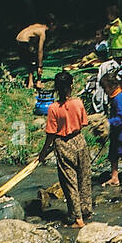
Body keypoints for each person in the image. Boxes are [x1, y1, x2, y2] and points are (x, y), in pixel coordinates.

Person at [36, 71, 92, 228]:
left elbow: (51, 134)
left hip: (63, 144)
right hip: (79, 141)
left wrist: (43, 153)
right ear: (71, 86)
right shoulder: (79, 103)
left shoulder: (53, 108)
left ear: (56, 88)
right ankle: (86, 210)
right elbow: (83, 123)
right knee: (84, 177)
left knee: (70, 182)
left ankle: (78, 218)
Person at [15, 17, 54, 88]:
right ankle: (38, 82)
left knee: (31, 60)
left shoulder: (37, 26)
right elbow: (40, 50)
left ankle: (31, 82)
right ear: (51, 24)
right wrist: (40, 66)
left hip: (18, 39)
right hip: (25, 41)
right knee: (37, 58)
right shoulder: (42, 33)